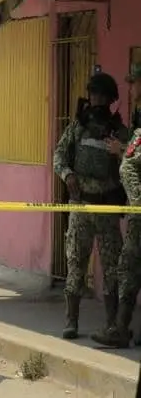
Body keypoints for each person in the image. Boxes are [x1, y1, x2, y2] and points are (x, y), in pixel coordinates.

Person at [54, 72, 128, 341]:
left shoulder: (119, 132)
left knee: (112, 268)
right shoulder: (78, 127)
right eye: (93, 94)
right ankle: (71, 321)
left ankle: (112, 324)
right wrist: (67, 175)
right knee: (75, 262)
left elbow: (132, 162)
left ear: (110, 99)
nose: (96, 99)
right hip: (81, 207)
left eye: (102, 95)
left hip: (107, 210)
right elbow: (59, 156)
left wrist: (120, 150)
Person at [91, 65, 141, 348]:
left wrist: (120, 150)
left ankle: (120, 327)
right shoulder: (137, 119)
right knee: (129, 266)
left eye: (134, 83)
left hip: (138, 208)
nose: (131, 88)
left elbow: (133, 159)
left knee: (128, 265)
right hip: (136, 211)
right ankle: (120, 327)